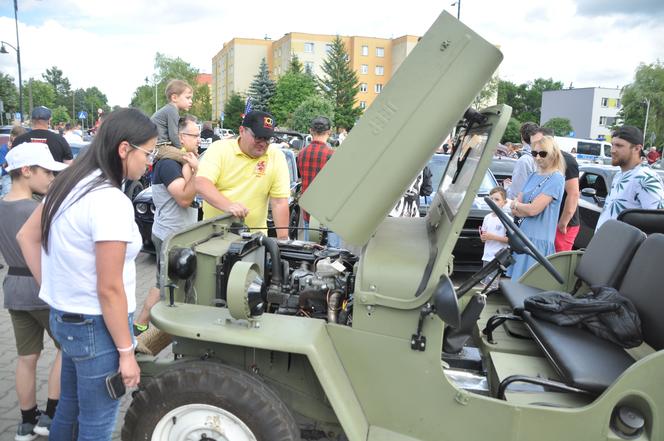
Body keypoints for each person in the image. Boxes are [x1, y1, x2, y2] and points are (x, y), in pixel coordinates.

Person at [17, 108, 156, 441]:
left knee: (68, 410)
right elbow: (109, 288)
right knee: (97, 424)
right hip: (98, 327)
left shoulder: (70, 182)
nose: (149, 163)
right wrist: (127, 354)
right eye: (147, 153)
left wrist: (54, 288)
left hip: (67, 319)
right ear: (124, 149)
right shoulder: (109, 200)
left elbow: (27, 236)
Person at [1, 143, 67, 440]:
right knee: (66, 349)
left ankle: (27, 421)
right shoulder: (39, 209)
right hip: (42, 287)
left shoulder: (1, 205)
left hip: (14, 289)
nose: (52, 177)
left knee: (27, 357)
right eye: (48, 171)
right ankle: (52, 416)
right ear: (26, 171)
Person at [133, 115, 200, 335]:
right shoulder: (169, 164)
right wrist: (195, 169)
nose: (199, 139)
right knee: (164, 284)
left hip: (180, 233)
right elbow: (184, 198)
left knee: (169, 282)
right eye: (194, 135)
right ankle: (142, 324)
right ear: (180, 136)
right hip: (169, 234)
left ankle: (158, 323)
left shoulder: (180, 161)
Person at [195, 110, 290, 239]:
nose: (263, 143)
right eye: (258, 137)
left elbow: (279, 202)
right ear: (242, 131)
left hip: (254, 241)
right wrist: (229, 206)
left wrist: (283, 241)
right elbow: (202, 183)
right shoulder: (220, 149)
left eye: (267, 139)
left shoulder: (276, 157)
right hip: (214, 237)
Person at [508, 135, 565, 281]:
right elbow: (516, 208)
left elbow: (533, 209)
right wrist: (520, 206)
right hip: (522, 238)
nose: (538, 157)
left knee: (528, 287)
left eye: (543, 153)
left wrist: (518, 206)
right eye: (534, 153)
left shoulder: (556, 178)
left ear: (553, 153)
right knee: (515, 286)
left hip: (537, 243)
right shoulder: (533, 175)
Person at [595, 126, 664, 230]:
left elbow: (659, 221)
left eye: (619, 146)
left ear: (637, 148)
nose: (612, 150)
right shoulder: (619, 175)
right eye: (612, 145)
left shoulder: (645, 178)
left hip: (623, 245)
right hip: (606, 243)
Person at [534, 128, 581, 252]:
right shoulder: (542, 161)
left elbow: (573, 194)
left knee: (556, 263)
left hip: (562, 224)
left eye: (540, 142)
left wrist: (563, 223)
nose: (536, 148)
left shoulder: (567, 160)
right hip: (546, 222)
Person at [297, 116, 339, 245]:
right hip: (329, 213)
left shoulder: (301, 154)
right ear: (329, 131)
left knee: (309, 251)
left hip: (308, 211)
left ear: (310, 130)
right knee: (332, 255)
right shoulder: (332, 155)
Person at [480, 186, 510, 289]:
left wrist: (493, 237)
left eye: (497, 199)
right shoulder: (487, 217)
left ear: (504, 202)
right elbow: (484, 237)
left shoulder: (506, 219)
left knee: (491, 284)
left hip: (498, 257)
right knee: (485, 283)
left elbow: (510, 240)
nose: (493, 202)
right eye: (491, 199)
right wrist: (484, 238)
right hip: (487, 256)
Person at [151, 79, 193, 148]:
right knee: (186, 157)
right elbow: (174, 135)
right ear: (174, 98)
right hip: (160, 146)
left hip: (159, 145)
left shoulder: (170, 109)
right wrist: (182, 149)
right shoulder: (172, 110)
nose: (191, 101)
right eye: (188, 98)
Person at [505, 122, 539, 199]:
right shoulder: (542, 157)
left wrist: (507, 188)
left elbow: (516, 194)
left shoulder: (525, 160)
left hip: (524, 207)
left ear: (522, 137)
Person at [1, 124, 28, 197]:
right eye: (19, 138)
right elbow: (5, 167)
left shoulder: (24, 147)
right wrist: (10, 151)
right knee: (7, 191)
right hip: (8, 176)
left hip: (21, 175)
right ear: (12, 137)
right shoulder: (3, 148)